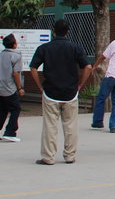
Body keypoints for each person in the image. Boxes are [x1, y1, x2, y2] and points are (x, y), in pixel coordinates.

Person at [29, 20, 92, 165]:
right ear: (68, 32)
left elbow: (33, 68)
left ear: (53, 31)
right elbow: (88, 67)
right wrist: (80, 84)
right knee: (70, 125)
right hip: (70, 92)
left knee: (50, 126)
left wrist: (40, 86)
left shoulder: (44, 48)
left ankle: (48, 157)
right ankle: (70, 155)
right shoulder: (75, 47)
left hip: (50, 91)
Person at [0, 33, 25, 142]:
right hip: (9, 86)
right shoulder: (16, 56)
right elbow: (16, 73)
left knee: (2, 109)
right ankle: (10, 132)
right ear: (13, 45)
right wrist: (19, 88)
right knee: (16, 109)